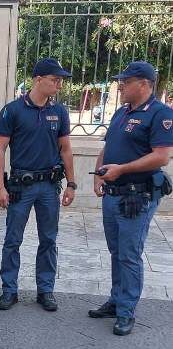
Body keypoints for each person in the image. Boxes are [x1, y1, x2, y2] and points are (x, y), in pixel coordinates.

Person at [88, 61, 173, 336]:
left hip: (137, 196)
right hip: (112, 194)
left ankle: (126, 311)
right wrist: (99, 175)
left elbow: (162, 156)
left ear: (145, 84)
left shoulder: (159, 114)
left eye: (126, 81)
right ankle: (116, 301)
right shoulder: (122, 112)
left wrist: (121, 170)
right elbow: (108, 146)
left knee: (129, 254)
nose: (120, 85)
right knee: (116, 252)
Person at [0, 58, 76, 312]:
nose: (59, 85)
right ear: (38, 79)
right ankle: (9, 290)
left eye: (60, 80)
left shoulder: (59, 112)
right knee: (12, 240)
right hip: (21, 186)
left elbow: (66, 149)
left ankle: (46, 290)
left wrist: (71, 183)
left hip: (49, 187)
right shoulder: (13, 110)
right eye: (55, 80)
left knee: (49, 240)